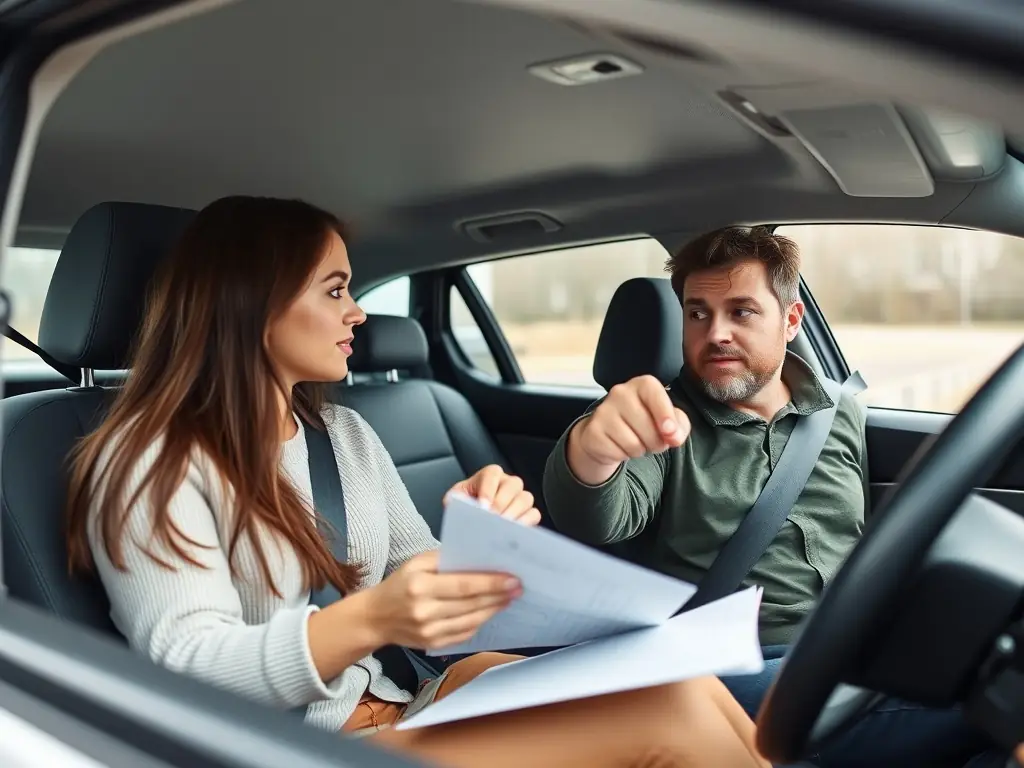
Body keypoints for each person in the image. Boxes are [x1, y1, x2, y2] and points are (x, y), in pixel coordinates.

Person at [65, 196, 771, 768]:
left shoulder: (343, 436)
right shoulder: (147, 462)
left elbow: (415, 579)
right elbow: (183, 669)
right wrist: (370, 619)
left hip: (407, 703)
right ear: (254, 300)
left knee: (678, 680)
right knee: (667, 716)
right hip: (290, 745)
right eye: (335, 289)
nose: (359, 312)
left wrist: (482, 540)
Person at [542, 226, 1002, 767]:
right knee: (992, 701)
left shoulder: (838, 409)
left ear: (790, 320)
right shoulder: (663, 422)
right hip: (734, 665)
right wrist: (593, 449)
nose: (715, 333)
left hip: (851, 638)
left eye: (741, 312)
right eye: (697, 313)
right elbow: (598, 517)